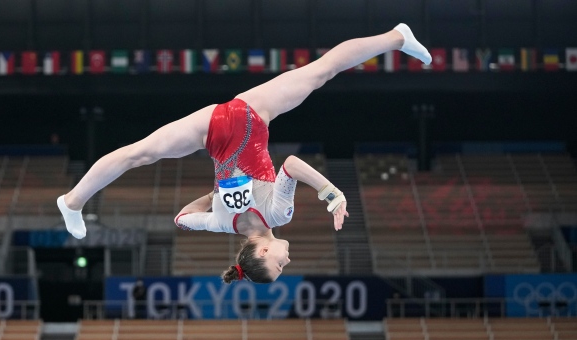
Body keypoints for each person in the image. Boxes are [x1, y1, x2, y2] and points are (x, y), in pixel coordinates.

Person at [57, 23, 431, 284]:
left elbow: (292, 165)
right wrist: (215, 196)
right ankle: (73, 201)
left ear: (264, 253)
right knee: (137, 154)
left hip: (248, 117)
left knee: (323, 71)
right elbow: (183, 219)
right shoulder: (224, 224)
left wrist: (332, 193)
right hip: (214, 133)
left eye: (280, 267)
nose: (288, 262)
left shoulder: (278, 213)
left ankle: (397, 37)